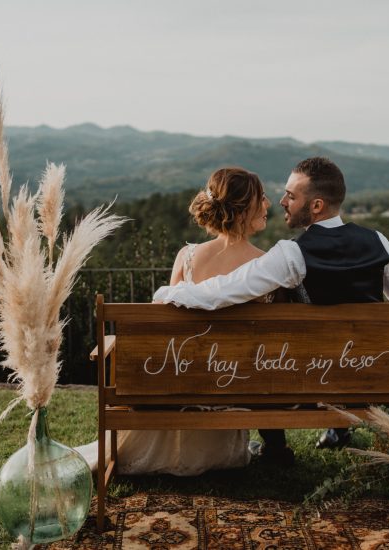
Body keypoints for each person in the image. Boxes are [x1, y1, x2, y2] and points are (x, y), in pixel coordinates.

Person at [153, 157, 389, 465]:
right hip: (379, 375)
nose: (282, 201)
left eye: (291, 196)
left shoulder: (292, 254)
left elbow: (222, 291)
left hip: (318, 378)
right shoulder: (378, 241)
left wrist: (168, 293)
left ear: (316, 205)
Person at [78, 166, 272, 475]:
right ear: (242, 210)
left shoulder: (188, 257)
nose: (268, 204)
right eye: (261, 198)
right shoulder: (265, 265)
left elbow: (162, 325)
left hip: (181, 383)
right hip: (232, 386)